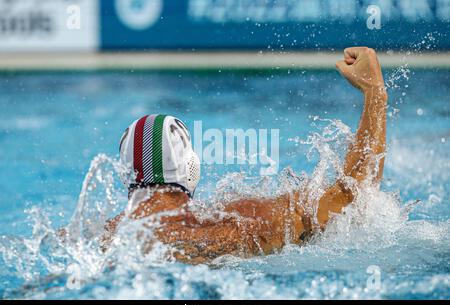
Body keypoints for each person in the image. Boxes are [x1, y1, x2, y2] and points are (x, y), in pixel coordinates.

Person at [104, 47, 388, 264]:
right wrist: (375, 93)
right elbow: (352, 197)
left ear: (127, 173)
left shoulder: (103, 237)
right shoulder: (230, 224)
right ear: (190, 166)